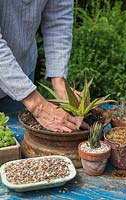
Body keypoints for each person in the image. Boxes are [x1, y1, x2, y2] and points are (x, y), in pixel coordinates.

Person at [0, 0, 88, 132]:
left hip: (20, 71)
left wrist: (59, 82)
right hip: (18, 82)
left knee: (16, 137)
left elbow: (59, 19)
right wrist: (37, 105)